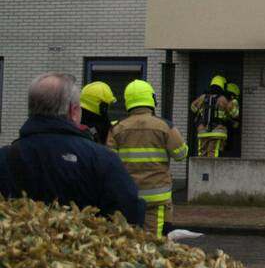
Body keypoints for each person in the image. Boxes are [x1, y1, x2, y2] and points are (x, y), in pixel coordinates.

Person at [0, 72, 144, 226]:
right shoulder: (102, 160)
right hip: (87, 247)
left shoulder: (5, 159)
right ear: (73, 111)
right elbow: (129, 216)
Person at [108, 79, 188, 237]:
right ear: (151, 99)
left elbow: (109, 162)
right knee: (155, 242)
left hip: (129, 195)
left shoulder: (117, 128)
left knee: (129, 241)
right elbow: (181, 154)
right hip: (158, 196)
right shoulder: (165, 126)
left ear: (128, 101)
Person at [190, 75, 238, 157]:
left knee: (201, 154)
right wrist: (234, 102)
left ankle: (201, 170)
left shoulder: (203, 97)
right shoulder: (223, 99)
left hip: (202, 131)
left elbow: (193, 108)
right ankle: (211, 170)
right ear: (222, 86)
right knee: (213, 154)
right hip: (218, 132)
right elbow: (234, 114)